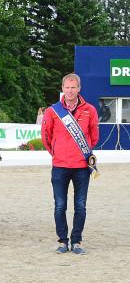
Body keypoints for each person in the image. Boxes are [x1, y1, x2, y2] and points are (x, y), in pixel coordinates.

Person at [41, 73, 99, 255]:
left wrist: (81, 153)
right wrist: (57, 153)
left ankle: (77, 241)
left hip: (82, 167)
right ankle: (62, 241)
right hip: (60, 166)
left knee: (80, 205)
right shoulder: (52, 111)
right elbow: (46, 137)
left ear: (79, 89)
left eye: (73, 87)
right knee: (60, 205)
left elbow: (94, 137)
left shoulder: (90, 110)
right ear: (62, 88)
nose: (70, 91)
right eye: (67, 87)